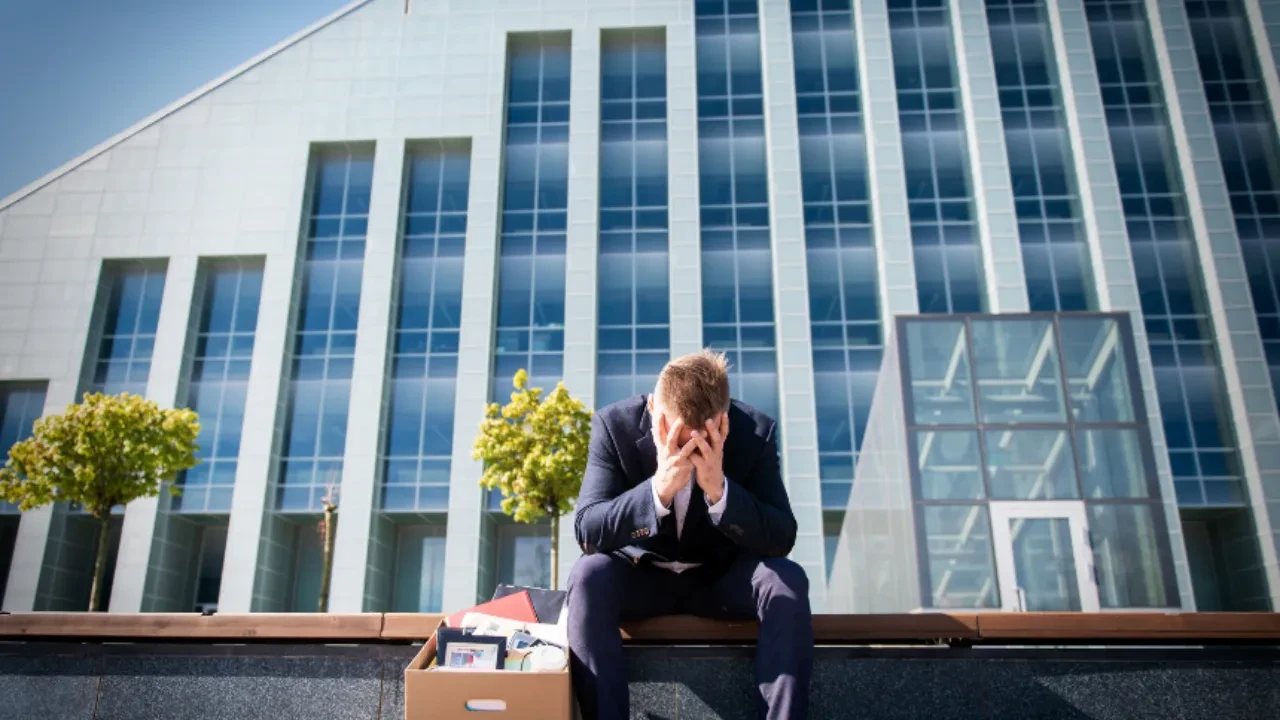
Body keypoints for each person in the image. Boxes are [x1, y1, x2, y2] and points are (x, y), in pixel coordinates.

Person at [568, 349, 813, 720]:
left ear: (723, 420)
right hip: (641, 578)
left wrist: (721, 492)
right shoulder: (613, 426)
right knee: (588, 575)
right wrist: (658, 491)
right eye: (675, 435)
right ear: (654, 408)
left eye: (701, 439)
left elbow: (782, 537)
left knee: (786, 579)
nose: (685, 449)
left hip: (719, 580)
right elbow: (588, 530)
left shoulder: (756, 433)